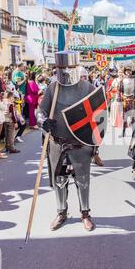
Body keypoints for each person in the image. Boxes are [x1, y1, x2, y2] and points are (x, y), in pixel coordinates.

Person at [37, 51, 101, 232]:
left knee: (82, 180)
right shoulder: (52, 88)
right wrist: (43, 121)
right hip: (58, 143)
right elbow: (40, 111)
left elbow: (98, 115)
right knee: (60, 179)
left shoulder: (87, 87)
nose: (66, 71)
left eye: (69, 68)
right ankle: (61, 212)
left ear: (75, 67)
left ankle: (85, 213)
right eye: (62, 68)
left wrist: (95, 144)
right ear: (57, 69)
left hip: (80, 144)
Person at [117, 66, 135, 138]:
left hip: (133, 100)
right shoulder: (122, 81)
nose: (128, 72)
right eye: (127, 70)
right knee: (124, 117)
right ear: (125, 71)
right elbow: (119, 90)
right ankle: (123, 132)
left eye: (129, 70)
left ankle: (134, 133)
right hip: (125, 100)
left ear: (131, 71)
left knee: (134, 117)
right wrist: (119, 98)